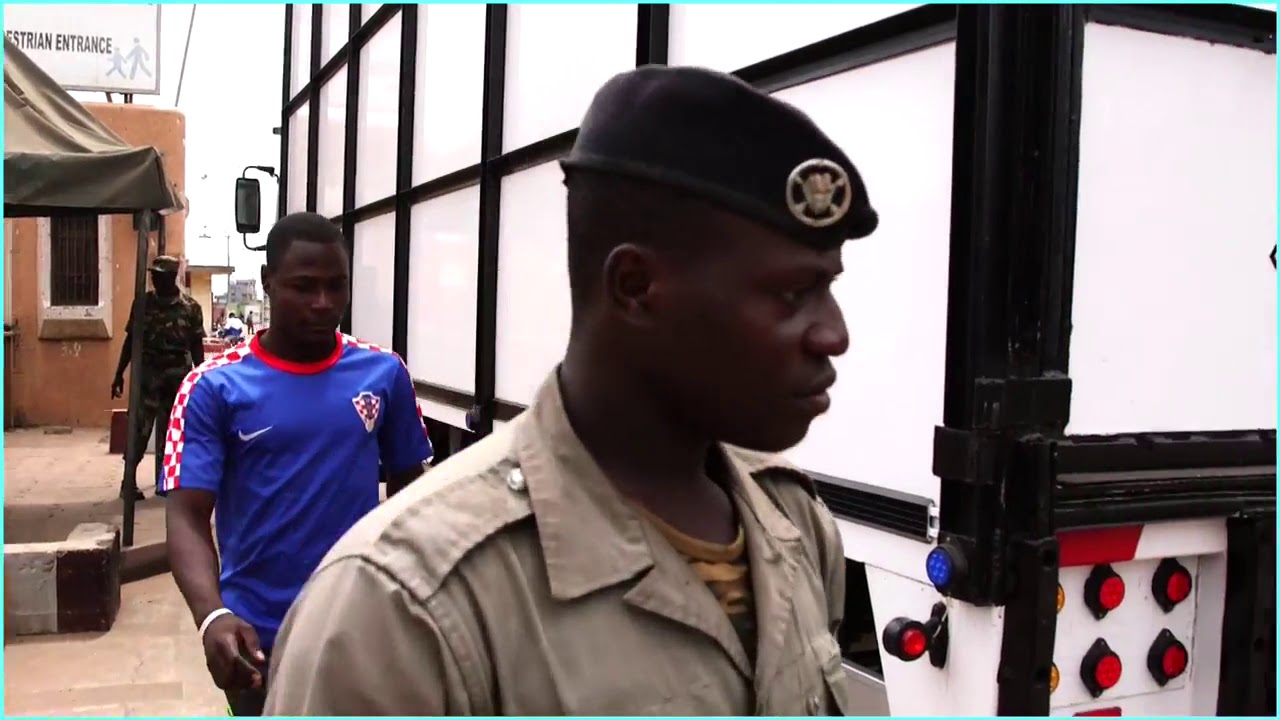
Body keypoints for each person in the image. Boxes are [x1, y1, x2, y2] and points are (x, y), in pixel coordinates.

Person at [264, 65, 879, 715]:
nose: (833, 334)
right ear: (636, 287)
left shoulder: (794, 525)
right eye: (791, 294)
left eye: (828, 288)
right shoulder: (403, 609)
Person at [159, 212, 434, 717]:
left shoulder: (384, 375)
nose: (323, 304)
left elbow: (411, 499)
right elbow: (187, 515)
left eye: (336, 286)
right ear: (268, 282)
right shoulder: (212, 387)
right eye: (304, 287)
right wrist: (211, 615)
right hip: (258, 639)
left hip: (361, 630)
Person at [111, 254, 205, 501]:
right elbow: (131, 340)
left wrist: (202, 378)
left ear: (172, 276)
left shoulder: (191, 308)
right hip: (148, 376)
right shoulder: (142, 304)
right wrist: (119, 373)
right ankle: (128, 481)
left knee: (173, 432)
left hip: (178, 378)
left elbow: (196, 347)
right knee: (138, 430)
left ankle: (168, 481)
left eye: (160, 276)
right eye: (154, 275)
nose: (155, 279)